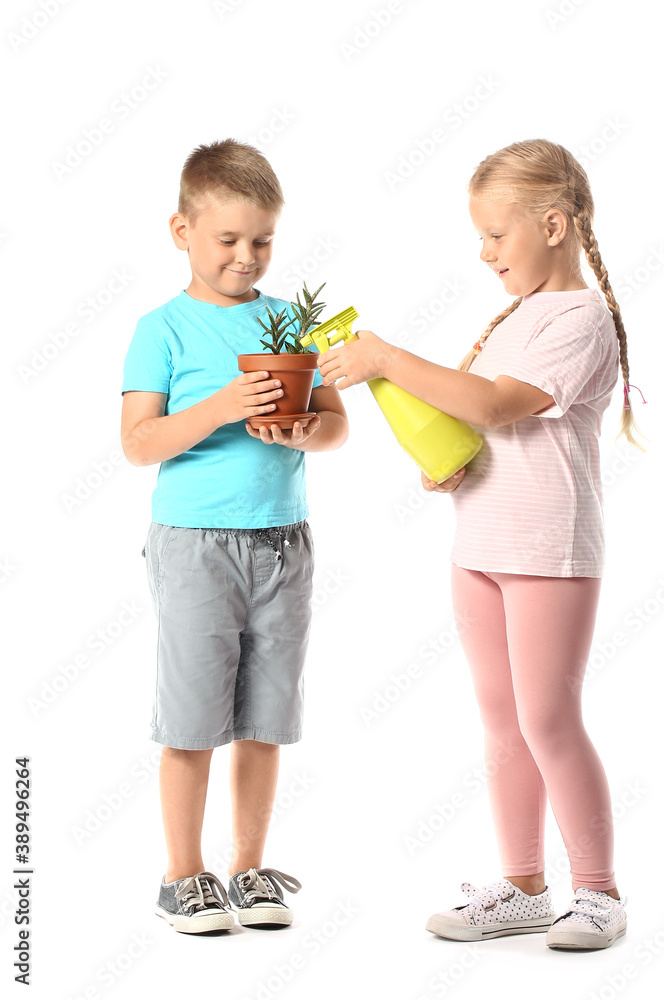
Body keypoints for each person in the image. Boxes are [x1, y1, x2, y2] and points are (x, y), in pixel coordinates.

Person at [317, 138, 645, 951]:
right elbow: (478, 421)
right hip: (480, 544)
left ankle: (598, 892)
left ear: (555, 223)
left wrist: (388, 356)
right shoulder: (518, 316)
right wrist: (450, 464)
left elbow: (498, 404)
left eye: (497, 235)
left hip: (547, 549)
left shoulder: (580, 318)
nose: (484, 251)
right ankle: (525, 885)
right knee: (502, 722)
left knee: (547, 718)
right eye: (480, 237)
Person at [120, 139, 348, 934]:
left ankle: (248, 869)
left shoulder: (290, 322)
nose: (246, 256)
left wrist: (298, 432)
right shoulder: (163, 329)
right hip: (194, 546)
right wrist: (219, 407)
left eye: (263, 240)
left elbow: (335, 428)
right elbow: (138, 443)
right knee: (191, 719)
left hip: (283, 544)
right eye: (228, 239)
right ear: (181, 230)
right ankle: (183, 875)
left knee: (264, 717)